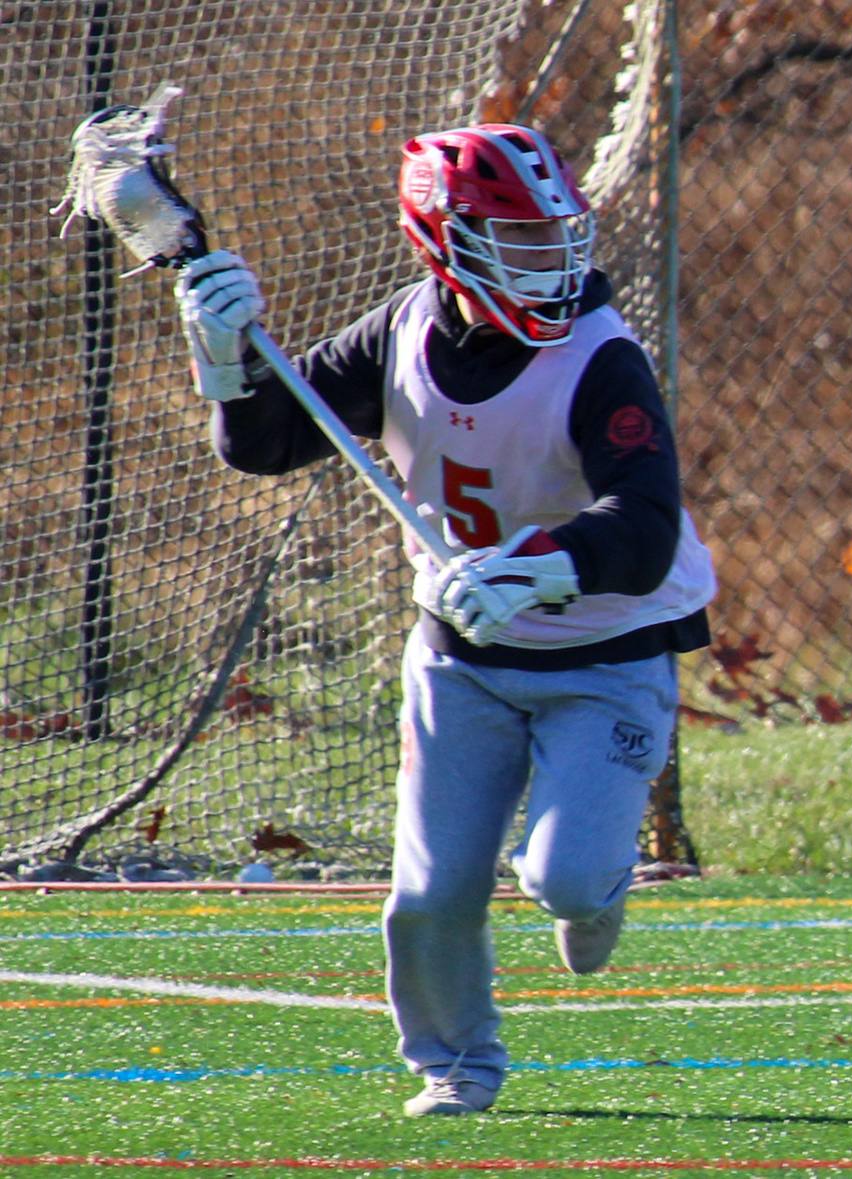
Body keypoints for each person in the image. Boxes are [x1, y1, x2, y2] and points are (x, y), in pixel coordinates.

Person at [172, 124, 715, 1117]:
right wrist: (224, 362)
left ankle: (595, 890)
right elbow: (270, 443)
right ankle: (456, 1064)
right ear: (445, 240)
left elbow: (644, 528)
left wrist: (534, 570)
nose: (551, 259)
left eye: (556, 233)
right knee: (430, 892)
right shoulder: (402, 330)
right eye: (521, 238)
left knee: (566, 879)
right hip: (462, 658)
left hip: (607, 650)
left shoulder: (601, 356)